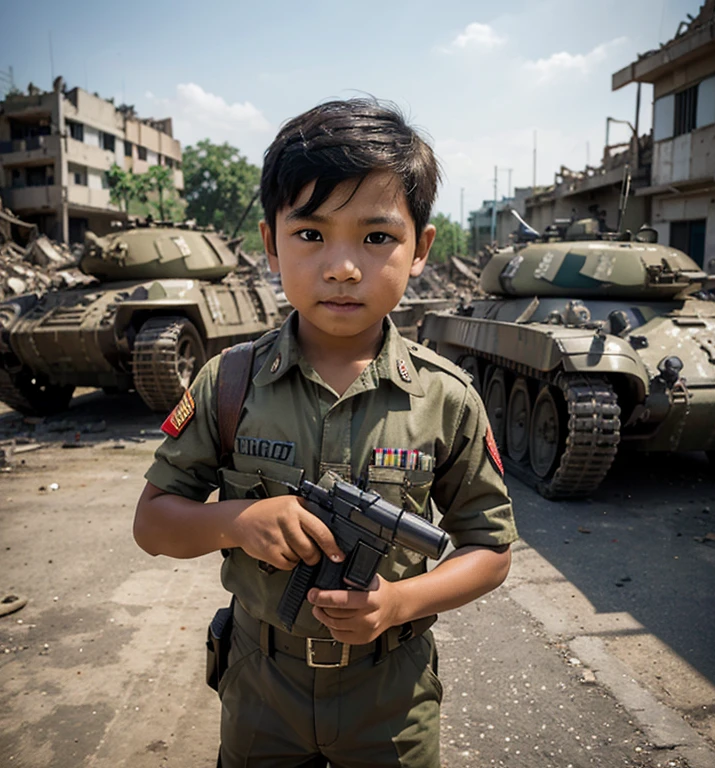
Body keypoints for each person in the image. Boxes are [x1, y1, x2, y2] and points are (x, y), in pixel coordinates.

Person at [133, 97, 517, 768]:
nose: (343, 266)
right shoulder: (228, 383)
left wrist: (399, 600)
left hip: (390, 694)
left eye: (376, 237)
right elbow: (154, 524)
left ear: (421, 249)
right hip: (261, 684)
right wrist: (238, 521)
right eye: (310, 234)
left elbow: (491, 549)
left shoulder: (447, 397)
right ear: (269, 244)